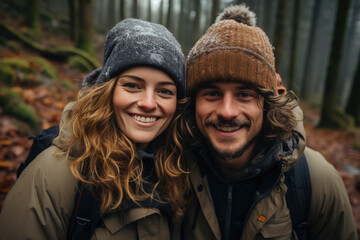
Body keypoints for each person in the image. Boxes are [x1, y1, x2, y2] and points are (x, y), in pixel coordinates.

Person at [178, 4, 357, 240]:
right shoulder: (171, 170)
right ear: (193, 103)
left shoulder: (317, 182)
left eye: (244, 95)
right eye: (212, 94)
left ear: (268, 104)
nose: (227, 111)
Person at [0, 18, 189, 239]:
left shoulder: (179, 169)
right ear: (106, 91)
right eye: (132, 86)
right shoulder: (55, 174)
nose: (148, 103)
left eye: (165, 91)